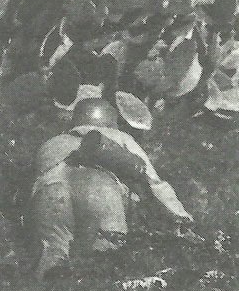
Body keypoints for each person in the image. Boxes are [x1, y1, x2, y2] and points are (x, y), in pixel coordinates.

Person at [30, 98, 192, 279]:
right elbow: (154, 183)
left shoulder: (53, 142)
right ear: (112, 121)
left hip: (52, 192)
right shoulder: (120, 138)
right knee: (104, 262)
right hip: (100, 191)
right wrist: (181, 218)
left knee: (52, 253)